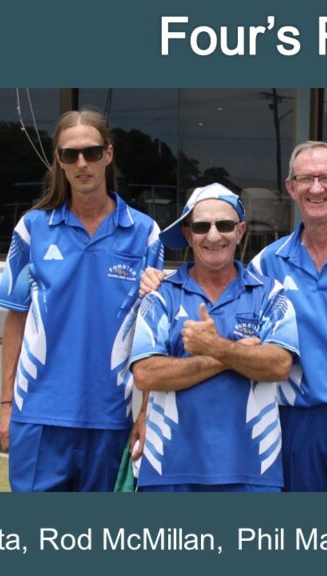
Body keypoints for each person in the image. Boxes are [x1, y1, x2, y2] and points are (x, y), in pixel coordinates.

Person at [143, 142, 327, 491]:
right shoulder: (268, 263)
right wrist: (158, 279)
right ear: (291, 187)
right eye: (306, 178)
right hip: (295, 423)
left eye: (326, 177)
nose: (316, 188)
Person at [0, 109, 163, 492]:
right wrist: (6, 406)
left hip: (109, 419)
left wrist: (146, 412)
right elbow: (15, 319)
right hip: (37, 416)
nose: (81, 163)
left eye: (90, 152)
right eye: (70, 154)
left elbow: (154, 335)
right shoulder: (31, 229)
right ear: (59, 160)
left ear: (108, 153)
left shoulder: (144, 233)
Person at [129, 183, 298, 492]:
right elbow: (146, 373)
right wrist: (226, 356)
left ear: (240, 231)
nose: (213, 235)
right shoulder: (160, 296)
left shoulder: (270, 294)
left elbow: (279, 365)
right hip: (169, 467)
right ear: (187, 234)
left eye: (224, 225)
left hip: (252, 468)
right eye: (201, 226)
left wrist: (215, 347)